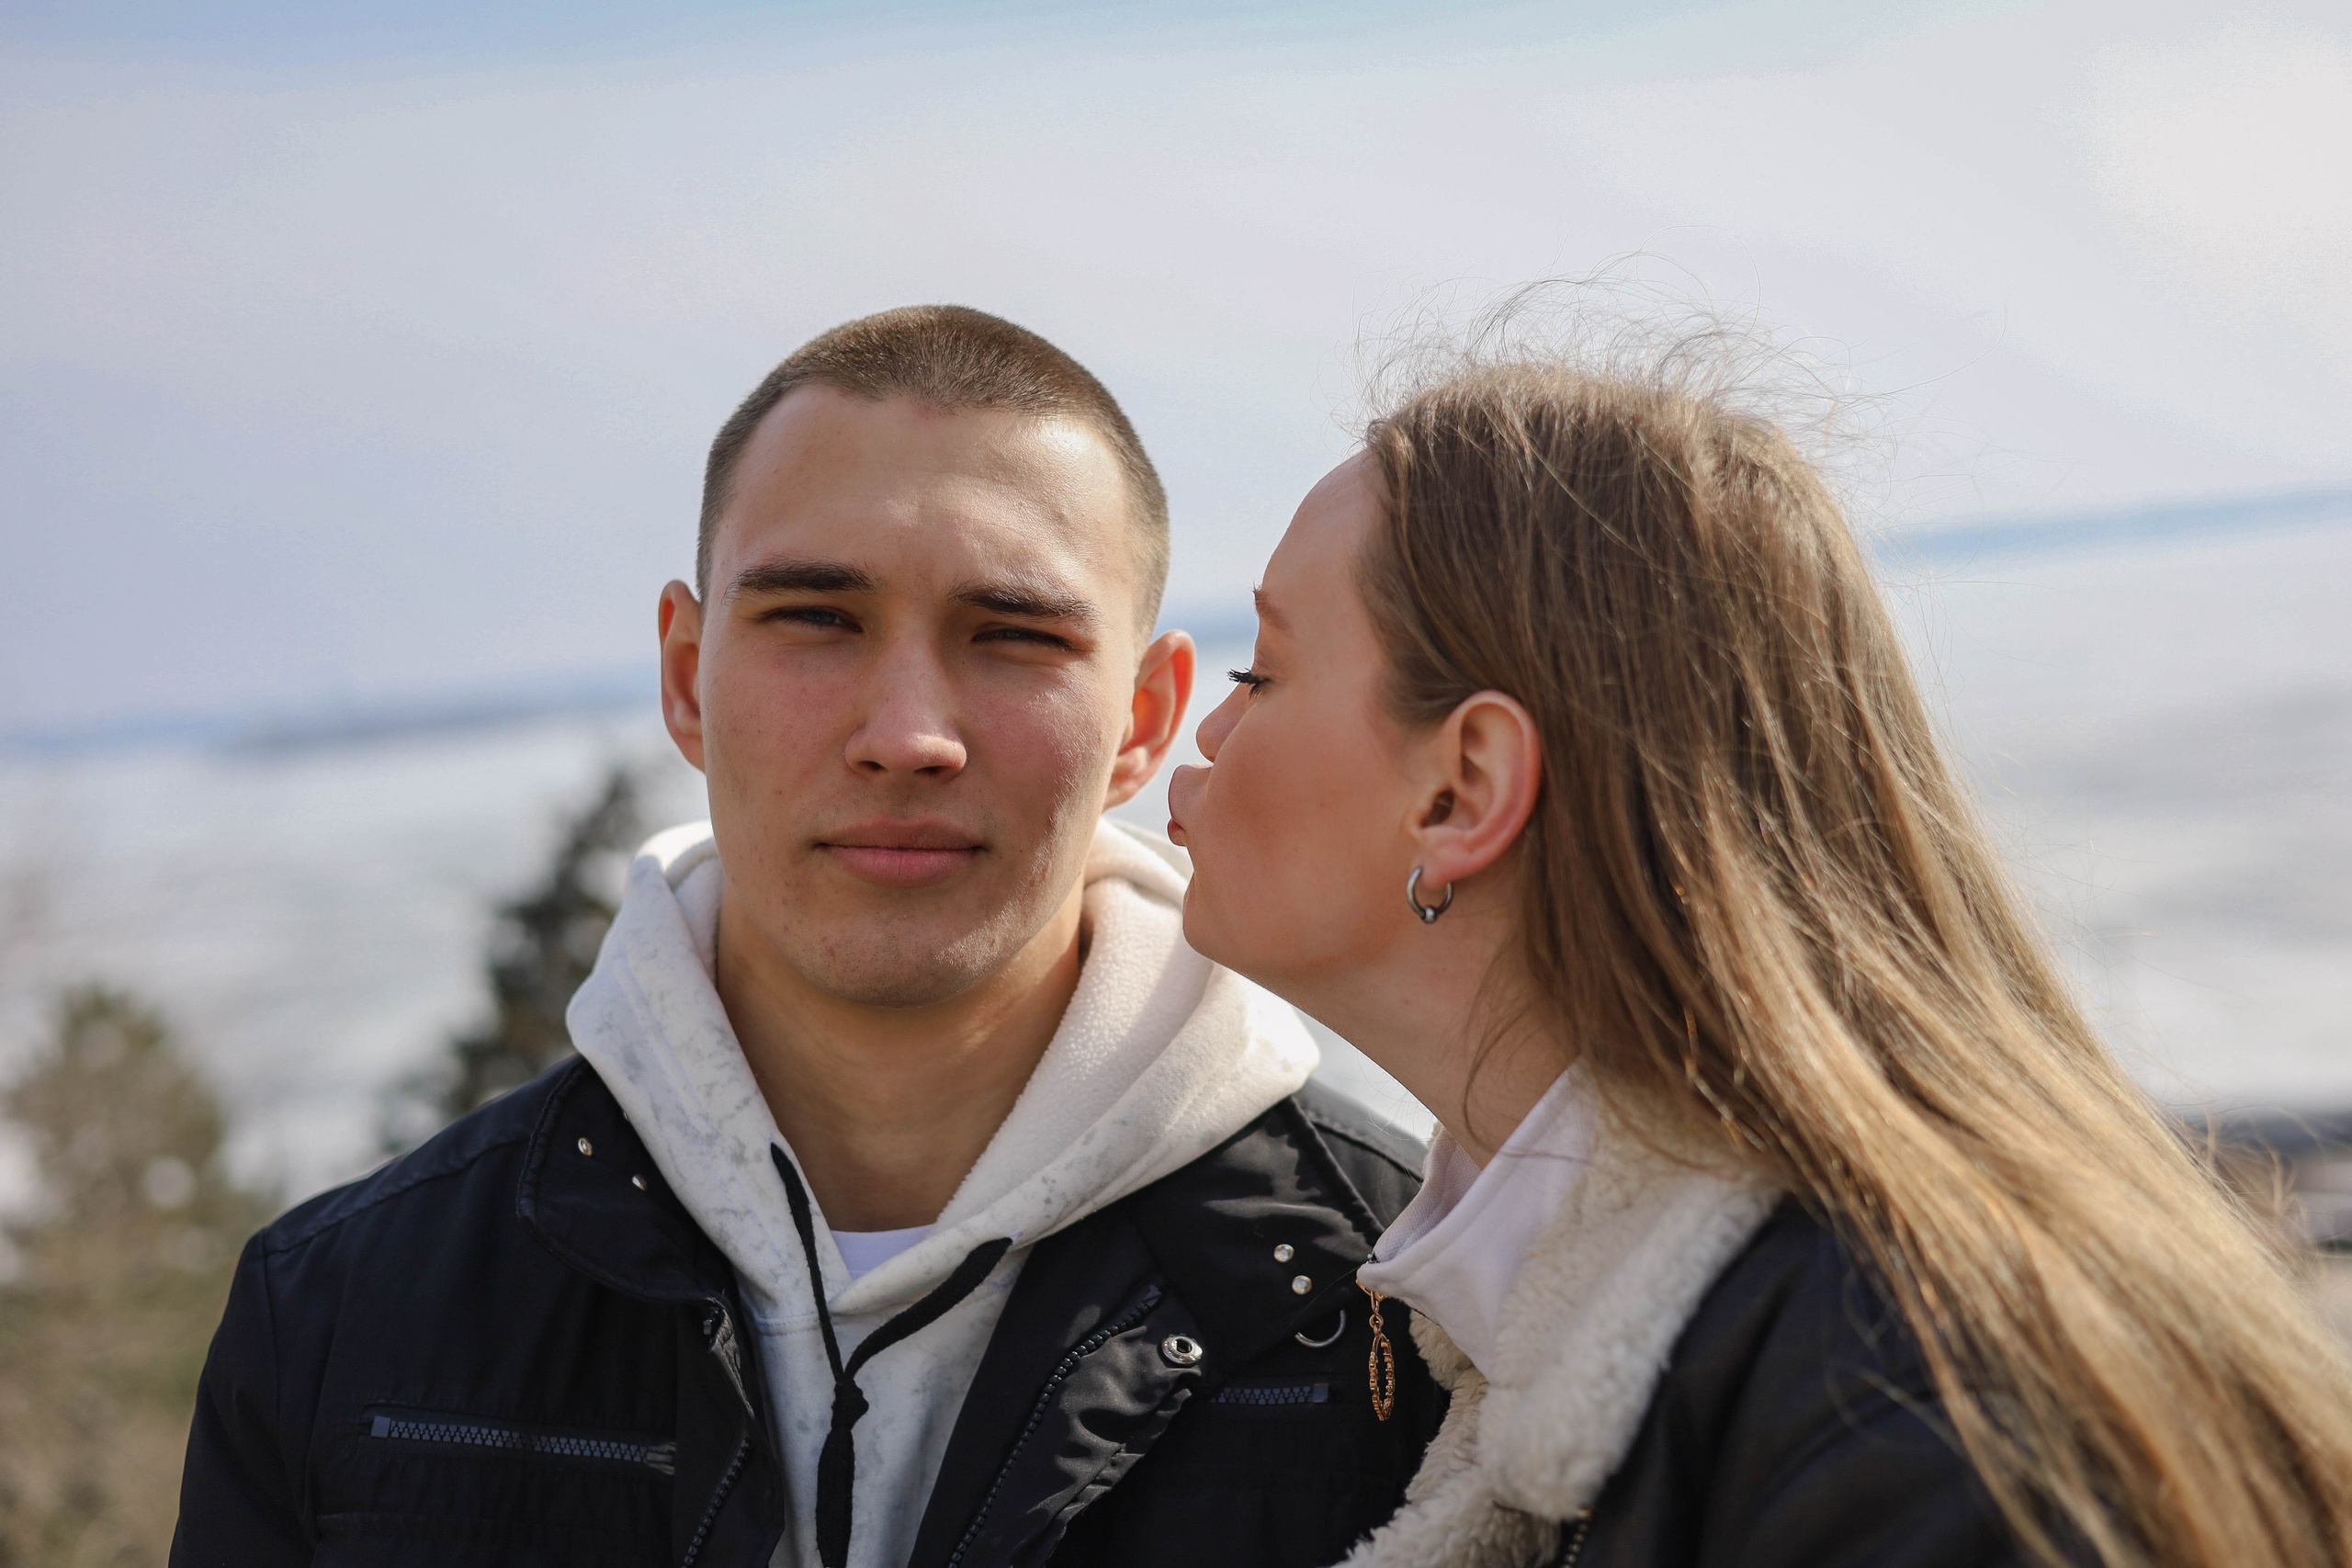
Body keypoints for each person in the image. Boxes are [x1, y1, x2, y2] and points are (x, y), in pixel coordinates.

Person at [170, 306, 1446, 1568]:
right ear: (685, 676)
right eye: (817, 620)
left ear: (1144, 716)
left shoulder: (1416, 1309)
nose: (907, 733)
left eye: (1014, 636)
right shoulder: (344, 1317)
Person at [1166, 344, 2352, 1568]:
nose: (1210, 725)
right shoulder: (1585, 1326)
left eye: (1263, 672)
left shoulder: (1915, 1405)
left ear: (1463, 792)